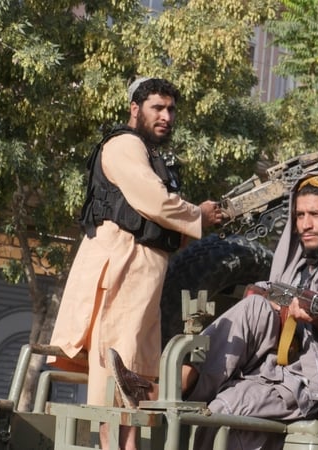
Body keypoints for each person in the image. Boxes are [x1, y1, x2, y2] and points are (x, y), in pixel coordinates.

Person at [107, 172, 318, 449]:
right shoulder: (297, 264)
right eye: (299, 215)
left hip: (317, 384)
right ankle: (177, 384)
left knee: (226, 409)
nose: (305, 224)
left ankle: (174, 388)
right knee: (255, 307)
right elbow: (267, 303)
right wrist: (261, 295)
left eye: (316, 215)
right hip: (271, 369)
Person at [48, 77, 223, 450]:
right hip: (123, 266)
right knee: (117, 366)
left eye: (171, 110)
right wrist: (199, 214)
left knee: (136, 373)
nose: (166, 116)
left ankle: (126, 446)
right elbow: (154, 201)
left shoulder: (148, 152)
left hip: (144, 272)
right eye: (157, 108)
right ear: (135, 109)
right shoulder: (124, 145)